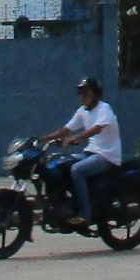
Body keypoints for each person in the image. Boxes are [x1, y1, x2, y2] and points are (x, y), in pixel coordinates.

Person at [42, 76, 122, 226]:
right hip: (90, 153)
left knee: (76, 170)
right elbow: (65, 129)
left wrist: (75, 138)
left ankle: (85, 213)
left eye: (86, 92)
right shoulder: (82, 111)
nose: (82, 96)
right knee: (57, 163)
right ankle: (56, 208)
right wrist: (42, 139)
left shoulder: (104, 109)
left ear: (96, 94)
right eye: (81, 92)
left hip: (107, 156)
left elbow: (96, 129)